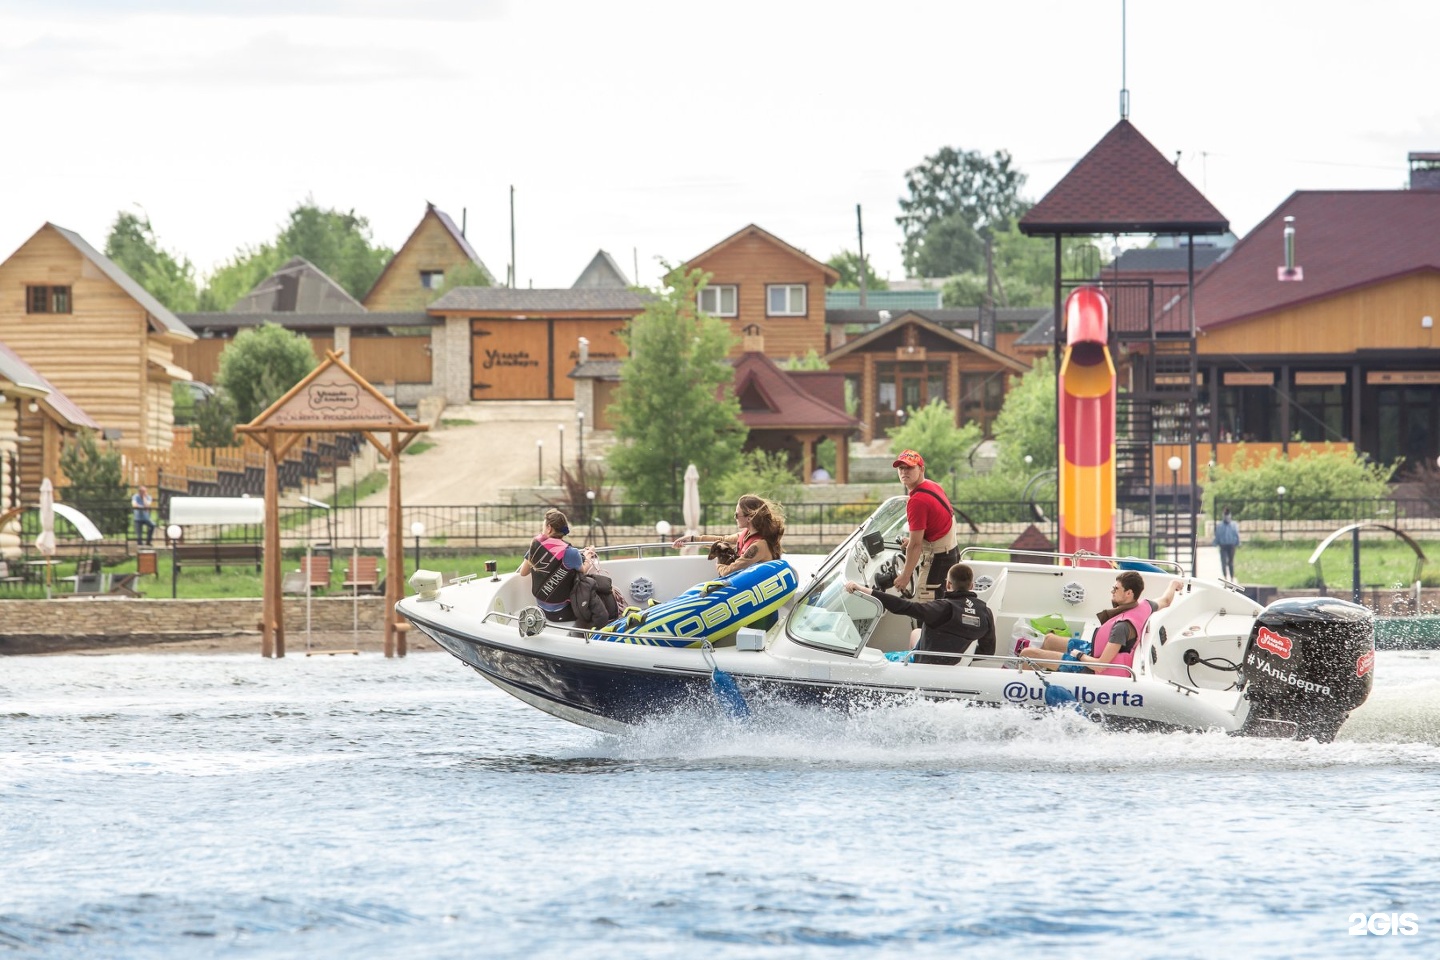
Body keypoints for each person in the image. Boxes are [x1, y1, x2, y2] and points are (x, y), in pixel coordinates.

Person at [1016, 573, 1181, 677]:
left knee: (1027, 653)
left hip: (1089, 668)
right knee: (1050, 639)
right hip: (1092, 652)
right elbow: (1166, 600)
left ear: (1129, 593)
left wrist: (1078, 655)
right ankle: (1047, 676)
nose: (1112, 591)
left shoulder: (1121, 627)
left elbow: (1100, 666)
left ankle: (1021, 695)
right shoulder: (1145, 605)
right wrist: (1173, 584)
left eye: (1116, 588)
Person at [845, 562, 995, 664]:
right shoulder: (985, 613)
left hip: (924, 664)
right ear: (972, 586)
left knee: (879, 660)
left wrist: (864, 590)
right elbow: (987, 651)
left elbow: (904, 606)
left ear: (948, 584)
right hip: (953, 662)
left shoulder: (942, 609)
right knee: (916, 632)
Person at [891, 449, 957, 600]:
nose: (904, 472)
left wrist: (905, 576)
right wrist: (914, 541)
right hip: (951, 554)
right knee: (942, 605)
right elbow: (938, 523)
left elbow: (915, 545)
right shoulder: (933, 486)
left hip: (937, 561)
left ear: (921, 469)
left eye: (909, 467)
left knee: (928, 609)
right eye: (901, 468)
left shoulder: (917, 501)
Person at [672, 494, 784, 576]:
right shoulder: (746, 535)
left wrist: (719, 562)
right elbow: (722, 539)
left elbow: (729, 571)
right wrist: (692, 539)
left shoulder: (759, 546)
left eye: (736, 515)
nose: (734, 518)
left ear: (749, 517)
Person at [517, 508, 596, 622]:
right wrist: (589, 555)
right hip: (562, 612)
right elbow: (583, 570)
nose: (542, 531)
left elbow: (523, 573)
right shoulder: (571, 552)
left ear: (549, 528)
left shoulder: (536, 546)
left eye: (542, 527)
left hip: (541, 609)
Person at [1214, 509, 1241, 581]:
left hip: (1231, 546)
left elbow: (1237, 534)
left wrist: (1238, 542)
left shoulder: (1233, 525)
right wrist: (1215, 543)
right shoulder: (1220, 526)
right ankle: (1225, 577)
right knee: (1223, 562)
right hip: (1223, 546)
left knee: (1230, 562)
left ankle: (1231, 577)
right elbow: (1217, 536)